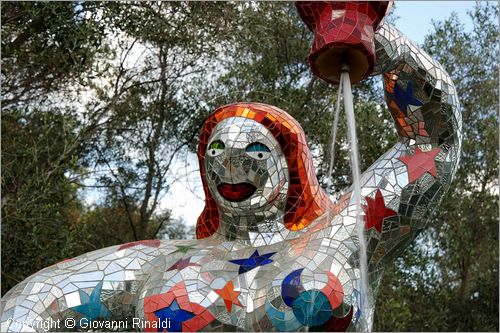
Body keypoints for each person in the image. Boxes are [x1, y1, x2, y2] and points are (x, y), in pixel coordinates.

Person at [0, 21, 461, 332]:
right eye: (216, 150)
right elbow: (39, 298)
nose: (230, 165)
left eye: (255, 150)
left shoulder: (341, 231)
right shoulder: (162, 259)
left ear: (289, 161)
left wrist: (377, 39)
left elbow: (432, 143)